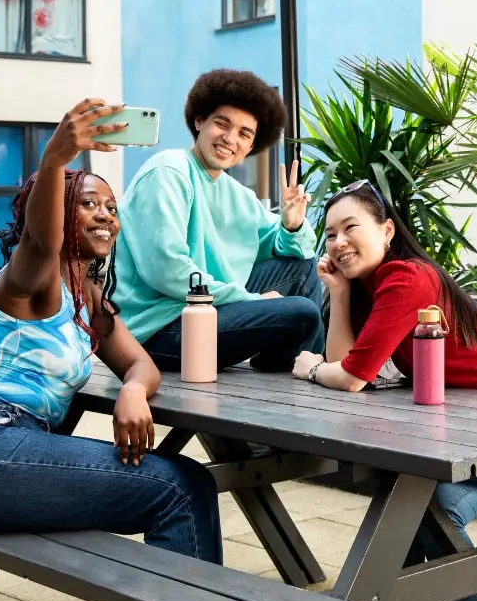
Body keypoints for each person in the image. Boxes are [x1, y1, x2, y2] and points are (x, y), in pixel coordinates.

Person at [0, 99, 221, 562]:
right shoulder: (31, 280)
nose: (105, 215)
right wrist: (55, 158)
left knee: (192, 481)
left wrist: (132, 391)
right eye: (87, 204)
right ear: (57, 211)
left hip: (0, 448)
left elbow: (140, 365)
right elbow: (41, 240)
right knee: (178, 490)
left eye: (112, 207)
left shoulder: (89, 300)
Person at [291, 180, 477, 601]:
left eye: (350, 227)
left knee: (422, 504)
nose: (338, 242)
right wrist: (339, 291)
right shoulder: (373, 286)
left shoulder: (407, 278)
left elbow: (349, 375)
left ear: (387, 230)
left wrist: (313, 369)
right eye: (330, 234)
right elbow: (350, 364)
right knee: (417, 503)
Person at [113, 68, 323, 373]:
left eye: (244, 134)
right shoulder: (169, 171)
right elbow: (166, 269)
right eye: (222, 124)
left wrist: (291, 224)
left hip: (208, 311)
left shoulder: (238, 195)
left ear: (251, 146)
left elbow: (295, 252)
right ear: (200, 122)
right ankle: (301, 373)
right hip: (156, 331)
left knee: (304, 269)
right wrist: (250, 299)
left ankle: (290, 366)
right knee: (302, 312)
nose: (230, 138)